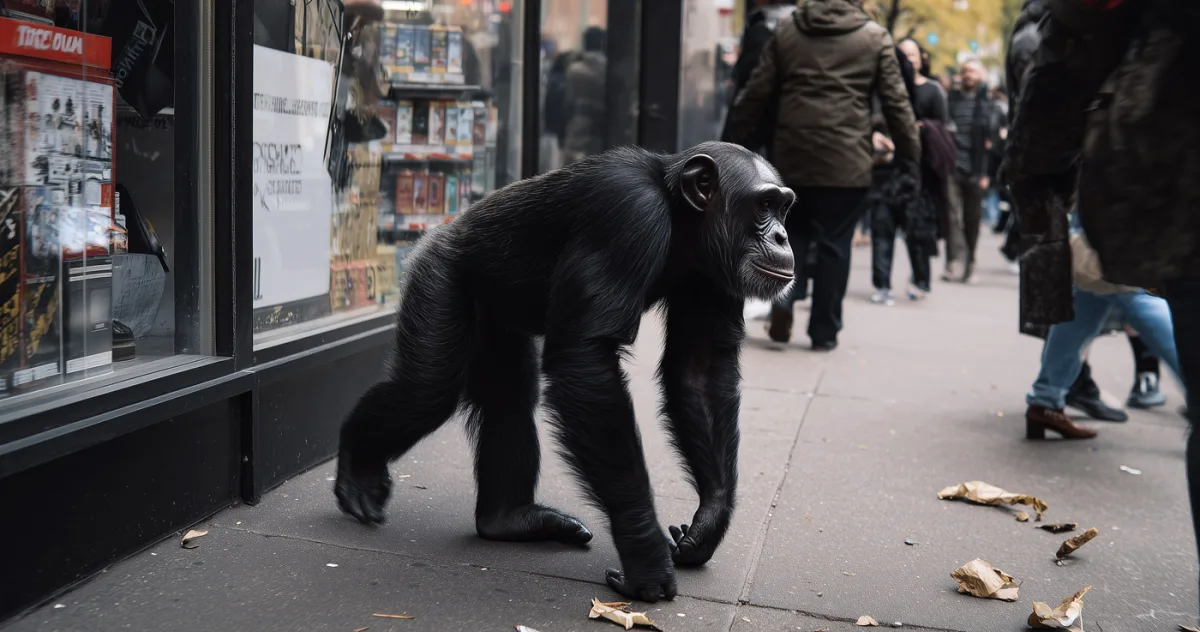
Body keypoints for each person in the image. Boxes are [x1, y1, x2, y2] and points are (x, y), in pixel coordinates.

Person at [1002, 0, 1200, 608]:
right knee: (1110, 297)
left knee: (1103, 297)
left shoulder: (1040, 27)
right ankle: (1049, 395)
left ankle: (1048, 395)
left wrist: (1036, 174)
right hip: (1165, 171)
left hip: (1170, 169)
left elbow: (1078, 47)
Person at [726, 0, 919, 350]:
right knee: (835, 244)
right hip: (846, 163)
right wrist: (910, 157)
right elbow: (897, 104)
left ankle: (783, 301)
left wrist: (731, 144)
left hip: (792, 158)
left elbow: (756, 92)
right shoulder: (874, 37)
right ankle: (824, 331)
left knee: (790, 235)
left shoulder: (788, 30)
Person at [868, 39, 948, 304]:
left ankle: (921, 281)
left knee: (917, 233)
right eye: (903, 55)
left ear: (921, 58)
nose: (907, 60)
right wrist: (876, 135)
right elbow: (869, 120)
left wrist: (919, 131)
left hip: (917, 173)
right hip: (884, 171)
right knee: (882, 231)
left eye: (911, 55)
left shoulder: (932, 91)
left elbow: (943, 131)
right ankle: (882, 285)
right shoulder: (879, 91)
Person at [720, 0, 797, 160]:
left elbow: (755, 88)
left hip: (764, 131)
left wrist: (733, 134)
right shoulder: (796, 26)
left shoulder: (765, 29)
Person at [942, 58, 992, 284]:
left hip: (976, 169)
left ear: (981, 76)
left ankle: (970, 260)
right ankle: (954, 261)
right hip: (952, 166)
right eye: (965, 71)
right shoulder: (950, 100)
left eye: (972, 71)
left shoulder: (989, 104)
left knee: (972, 219)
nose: (968, 74)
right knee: (951, 215)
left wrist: (986, 174)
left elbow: (994, 145)